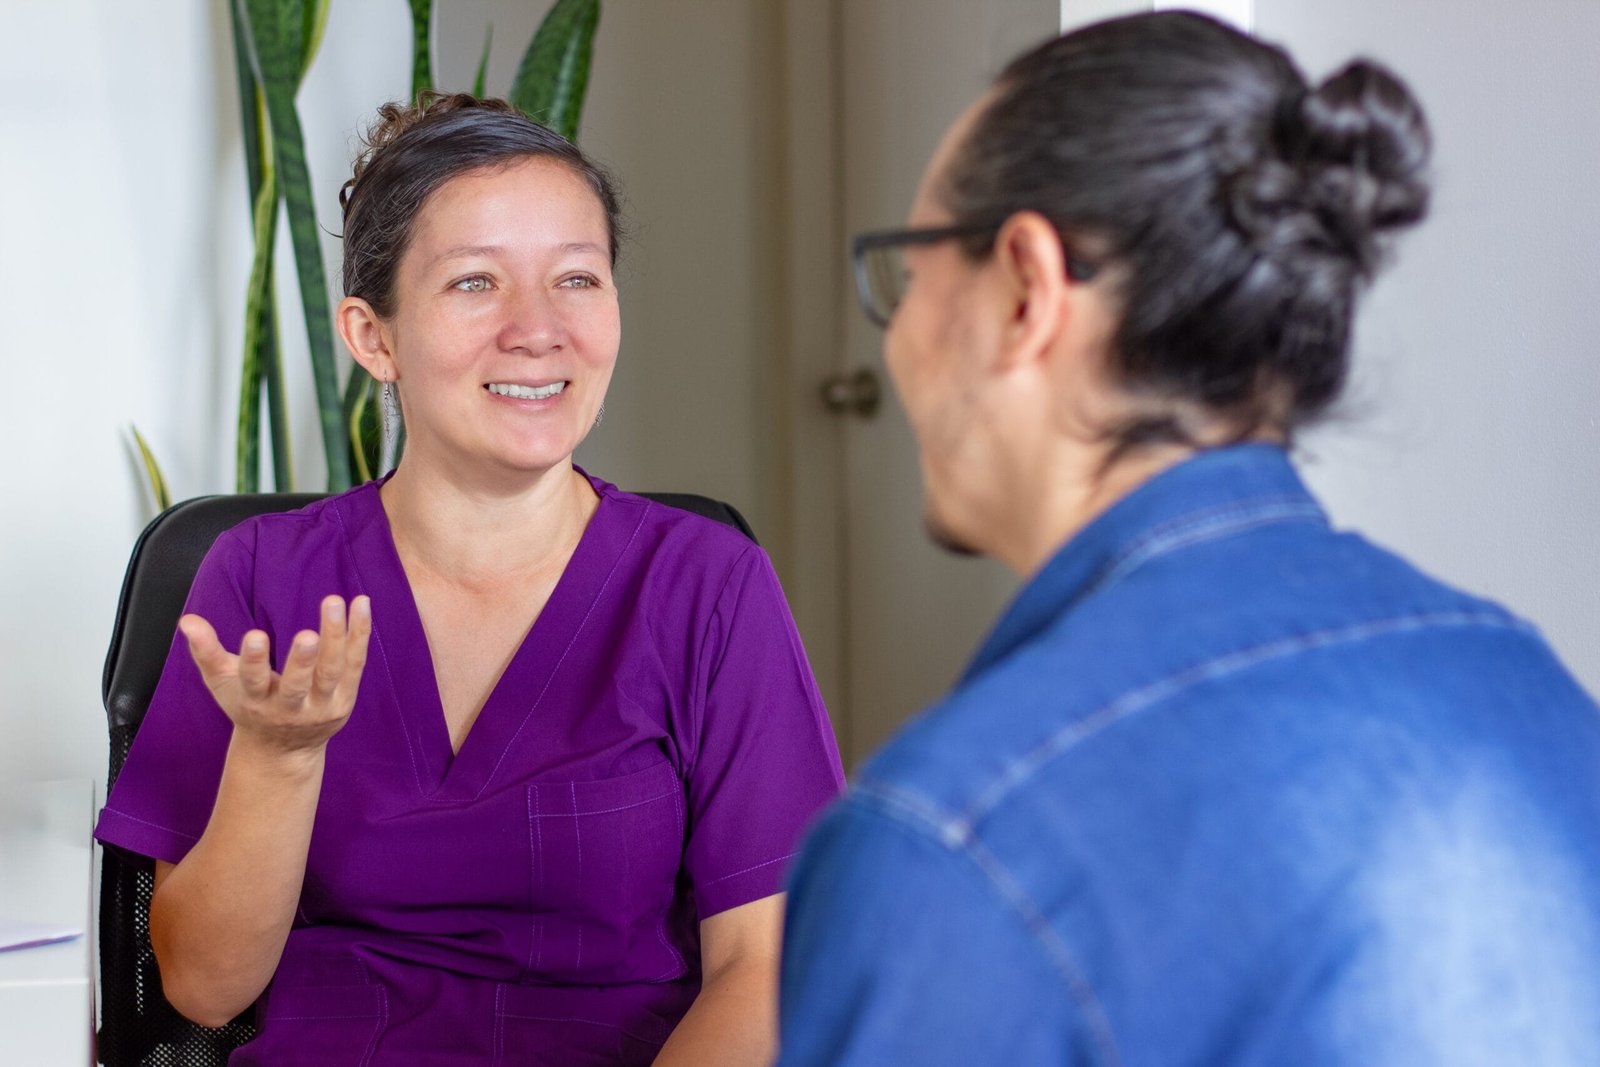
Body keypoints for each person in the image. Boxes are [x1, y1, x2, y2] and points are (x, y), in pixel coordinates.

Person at [777, 12, 1600, 1065]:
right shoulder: (1529, 684)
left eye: (909, 271)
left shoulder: (951, 834)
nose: (893, 342)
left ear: (1025, 286)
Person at [95, 94, 844, 1066]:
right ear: (373, 338)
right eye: (475, 282)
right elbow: (199, 987)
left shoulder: (707, 583)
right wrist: (278, 761)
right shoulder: (261, 578)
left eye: (577, 277)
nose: (538, 328)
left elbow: (768, 964)